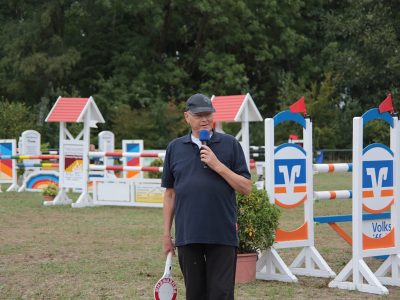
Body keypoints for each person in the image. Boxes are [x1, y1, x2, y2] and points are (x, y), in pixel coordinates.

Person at [161, 93, 252, 300]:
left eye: (208, 114)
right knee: (195, 295)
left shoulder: (231, 145)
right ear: (187, 117)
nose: (204, 119)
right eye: (198, 115)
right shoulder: (174, 148)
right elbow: (170, 194)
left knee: (221, 294)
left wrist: (217, 165)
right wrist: (167, 235)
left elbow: (246, 187)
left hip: (222, 234)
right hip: (188, 234)